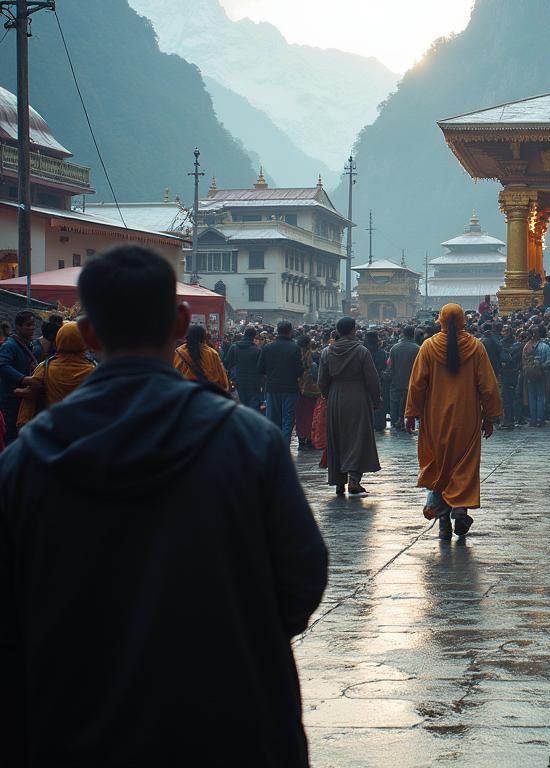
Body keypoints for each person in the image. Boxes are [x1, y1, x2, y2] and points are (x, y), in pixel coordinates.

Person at [0, 245, 327, 767]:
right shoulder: (249, 441)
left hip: (78, 722)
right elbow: (303, 576)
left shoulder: (27, 460)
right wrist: (235, 634)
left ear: (87, 335)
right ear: (180, 322)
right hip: (231, 720)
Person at [404, 303, 501, 540]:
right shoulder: (476, 348)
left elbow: (417, 384)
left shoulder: (428, 346)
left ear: (441, 320)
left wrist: (411, 413)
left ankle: (443, 518)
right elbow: (487, 387)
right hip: (467, 417)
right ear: (462, 321)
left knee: (439, 465)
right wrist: (489, 417)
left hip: (435, 417)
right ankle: (460, 508)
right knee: (464, 465)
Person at [318, 317, 381, 496]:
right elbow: (372, 379)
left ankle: (339, 481)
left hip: (335, 396)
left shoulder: (326, 352)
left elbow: (322, 381)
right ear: (353, 330)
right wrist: (376, 399)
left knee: (337, 437)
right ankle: (354, 479)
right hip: (358, 396)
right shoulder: (361, 351)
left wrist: (328, 395)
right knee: (357, 437)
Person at [15, 321, 96, 427]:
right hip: (81, 431)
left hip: (51, 430)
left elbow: (29, 401)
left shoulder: (45, 368)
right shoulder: (94, 370)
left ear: (59, 339)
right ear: (83, 341)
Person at [258, 322, 304, 443]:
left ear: (277, 331)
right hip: (290, 389)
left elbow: (260, 368)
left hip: (272, 388)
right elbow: (299, 371)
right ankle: (284, 447)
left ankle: (274, 446)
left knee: (273, 419)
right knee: (288, 420)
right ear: (290, 332)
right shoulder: (294, 348)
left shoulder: (267, 347)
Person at [0, 309, 36, 445]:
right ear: (18, 327)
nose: (32, 328)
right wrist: (24, 379)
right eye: (28, 325)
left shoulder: (28, 344)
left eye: (33, 325)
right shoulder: (10, 345)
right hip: (10, 401)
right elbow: (2, 366)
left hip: (22, 399)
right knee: (11, 438)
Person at [173, 322, 230, 392]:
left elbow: (173, 376)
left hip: (185, 395)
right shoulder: (212, 353)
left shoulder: (179, 352)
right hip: (208, 395)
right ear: (204, 337)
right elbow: (222, 379)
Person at [388, 325, 420, 433]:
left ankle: (396, 421)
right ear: (413, 334)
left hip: (396, 380)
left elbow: (390, 365)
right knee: (408, 402)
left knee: (395, 402)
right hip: (412, 381)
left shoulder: (394, 348)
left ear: (403, 333)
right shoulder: (417, 349)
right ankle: (405, 420)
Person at [226, 325, 263, 410]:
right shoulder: (257, 350)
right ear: (253, 337)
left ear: (244, 334)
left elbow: (227, 362)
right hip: (254, 383)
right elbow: (261, 367)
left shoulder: (234, 347)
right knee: (253, 408)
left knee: (241, 407)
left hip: (238, 381)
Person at [521, 326, 550, 428]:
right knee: (540, 397)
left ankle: (533, 420)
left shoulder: (526, 346)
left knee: (531, 397)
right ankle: (540, 419)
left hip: (529, 375)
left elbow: (523, 361)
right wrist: (541, 366)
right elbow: (549, 361)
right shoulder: (545, 346)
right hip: (541, 374)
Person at [294, 335, 320, 451]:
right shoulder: (314, 356)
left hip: (298, 389)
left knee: (300, 416)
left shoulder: (295, 355)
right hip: (312, 391)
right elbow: (316, 374)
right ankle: (310, 439)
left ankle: (301, 440)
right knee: (311, 416)